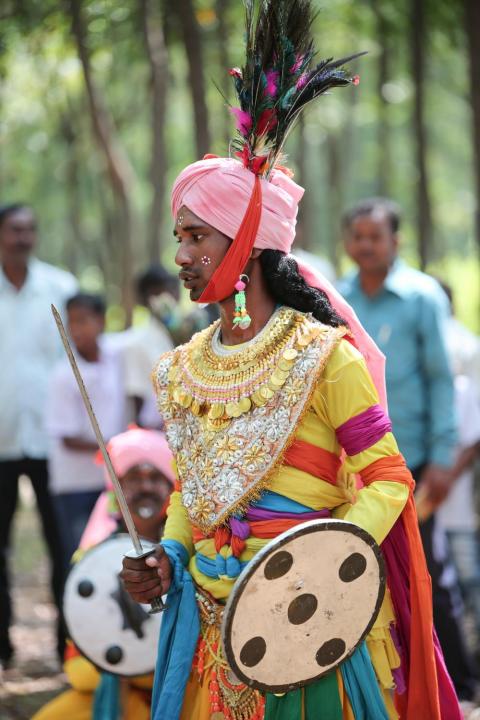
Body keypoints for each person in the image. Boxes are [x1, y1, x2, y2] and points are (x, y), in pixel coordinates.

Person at [120, 4, 461, 718]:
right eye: (176, 236)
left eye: (196, 237)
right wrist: (169, 557)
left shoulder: (321, 356)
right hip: (217, 646)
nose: (180, 256)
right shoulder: (180, 370)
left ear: (246, 246)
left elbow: (387, 479)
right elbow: (194, 493)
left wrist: (308, 570)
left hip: (310, 640)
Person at [338, 197, 477, 702]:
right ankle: (389, 690)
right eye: (358, 236)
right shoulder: (338, 297)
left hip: (413, 462)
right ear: (347, 242)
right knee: (364, 576)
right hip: (357, 468)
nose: (366, 245)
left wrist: (442, 458)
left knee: (424, 576)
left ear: (395, 241)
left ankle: (455, 686)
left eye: (376, 236)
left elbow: (442, 381)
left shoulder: (421, 298)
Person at [32, 426, 176, 720]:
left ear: (172, 488)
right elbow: (80, 670)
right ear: (116, 489)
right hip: (108, 691)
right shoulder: (92, 557)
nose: (145, 488)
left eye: (155, 478)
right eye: (133, 479)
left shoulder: (186, 552)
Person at [0, 202, 77, 667]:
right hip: (1, 441)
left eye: (29, 229)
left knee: (63, 546)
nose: (22, 237)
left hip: (54, 445)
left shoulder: (60, 289)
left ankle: (68, 646)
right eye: (14, 229)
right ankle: (2, 649)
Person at [46, 292, 127, 577]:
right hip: (76, 484)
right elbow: (66, 437)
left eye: (84, 320)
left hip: (113, 480)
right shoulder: (62, 375)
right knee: (83, 558)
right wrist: (114, 447)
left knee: (115, 557)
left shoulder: (117, 357)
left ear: (102, 321)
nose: (77, 329)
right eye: (72, 322)